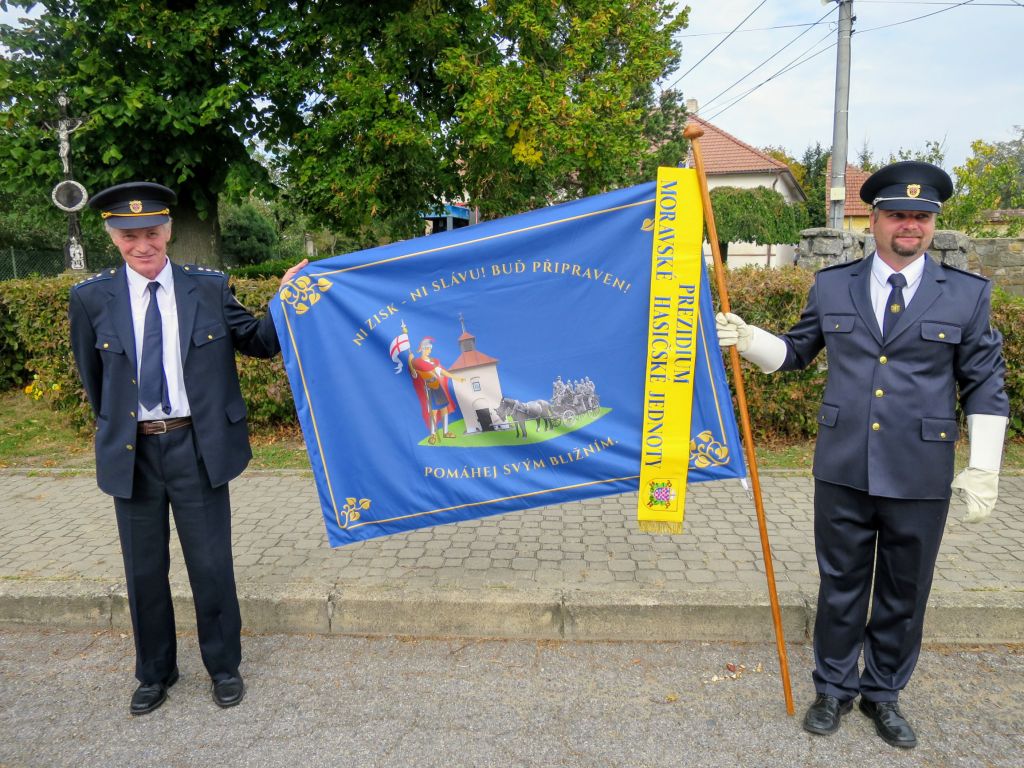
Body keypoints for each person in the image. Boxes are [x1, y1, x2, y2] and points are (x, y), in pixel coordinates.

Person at [716, 161, 1008, 749]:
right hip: (844, 465)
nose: (910, 225)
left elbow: (984, 381)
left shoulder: (966, 294)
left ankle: (883, 694)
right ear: (872, 220)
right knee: (841, 586)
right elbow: (798, 352)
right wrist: (750, 340)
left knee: (904, 592)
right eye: (898, 214)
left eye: (922, 216)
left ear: (933, 224)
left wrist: (984, 466)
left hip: (920, 472)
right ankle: (832, 689)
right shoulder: (833, 285)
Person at [68, 182, 306, 715]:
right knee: (144, 571)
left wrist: (286, 299)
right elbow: (95, 381)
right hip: (133, 454)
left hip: (197, 447)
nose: (142, 245)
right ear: (113, 237)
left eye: (152, 232)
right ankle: (155, 672)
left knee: (210, 565)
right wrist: (123, 430)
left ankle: (223, 667)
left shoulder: (208, 287)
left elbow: (260, 343)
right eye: (129, 236)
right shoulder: (91, 297)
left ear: (169, 230)